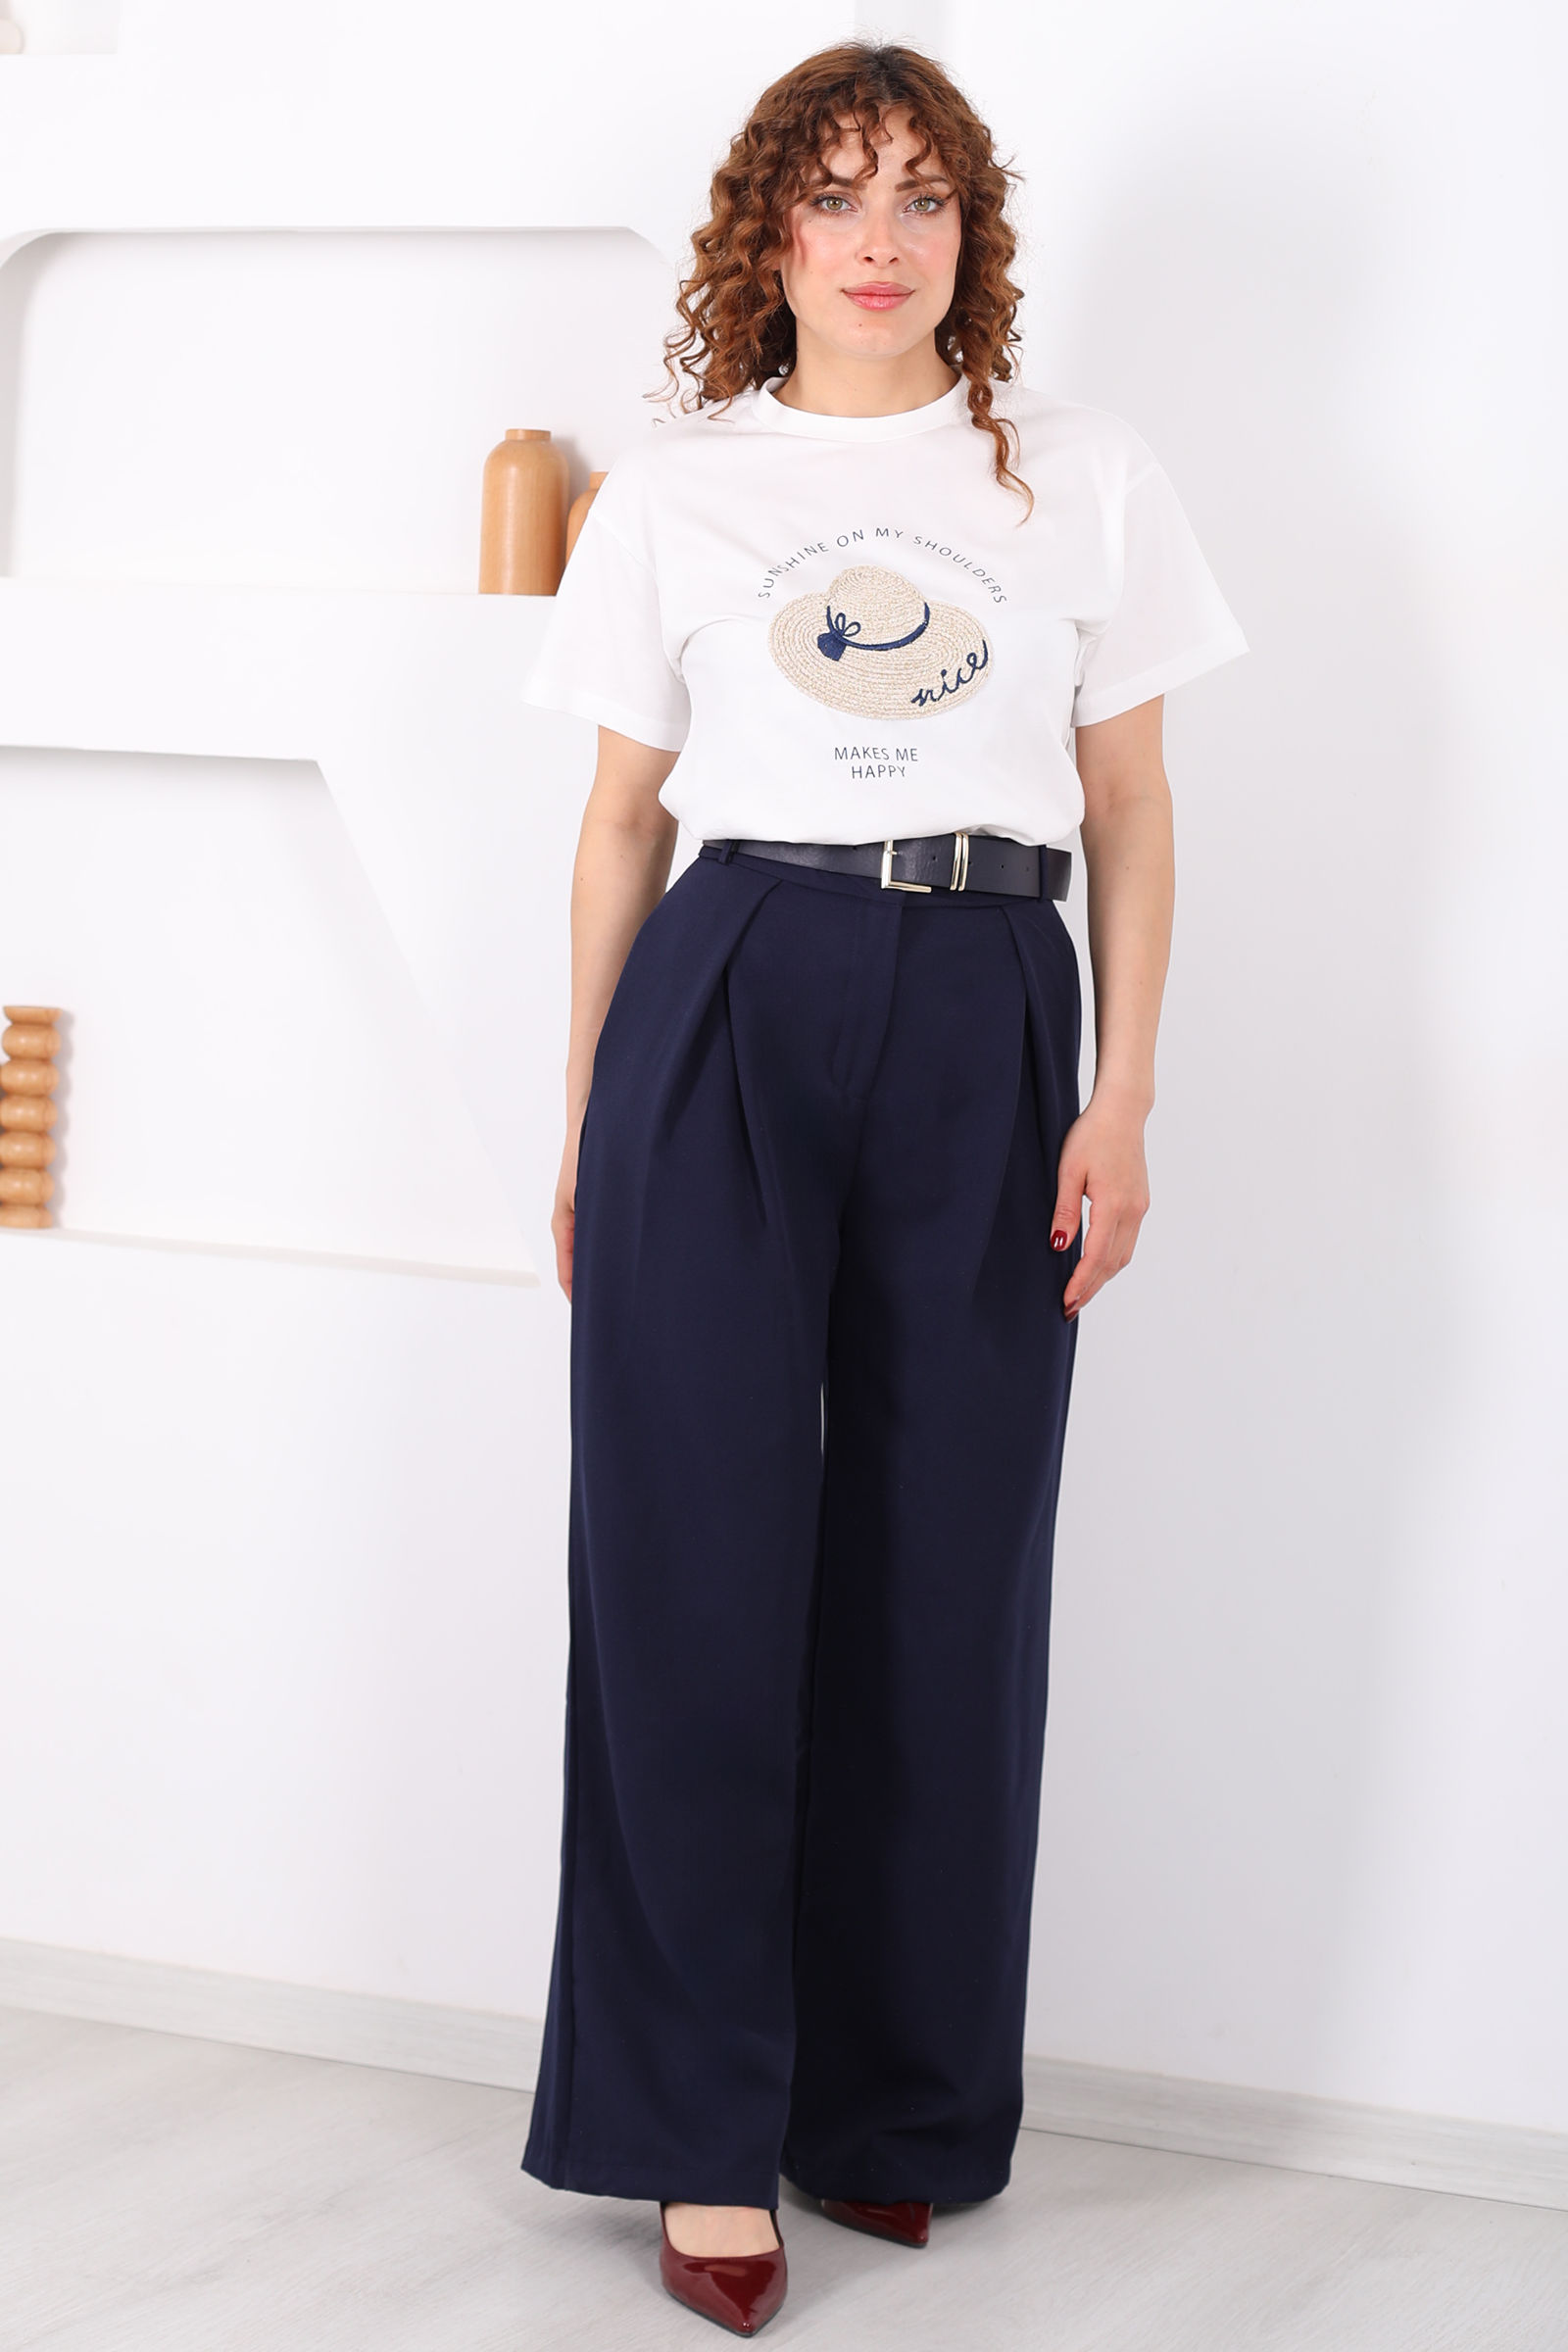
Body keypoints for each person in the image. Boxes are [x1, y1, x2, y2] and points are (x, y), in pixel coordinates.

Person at [517, 40, 1248, 2337]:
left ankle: (890, 2108)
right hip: (729, 990)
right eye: (830, 193)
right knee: (689, 1576)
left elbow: (1128, 808)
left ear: (969, 236)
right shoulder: (675, 491)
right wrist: (584, 1120)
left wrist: (1122, 1096)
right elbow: (618, 824)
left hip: (987, 1002)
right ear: (765, 234)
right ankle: (691, 2128)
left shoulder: (1080, 476)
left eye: (919, 195)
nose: (875, 236)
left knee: (947, 1577)